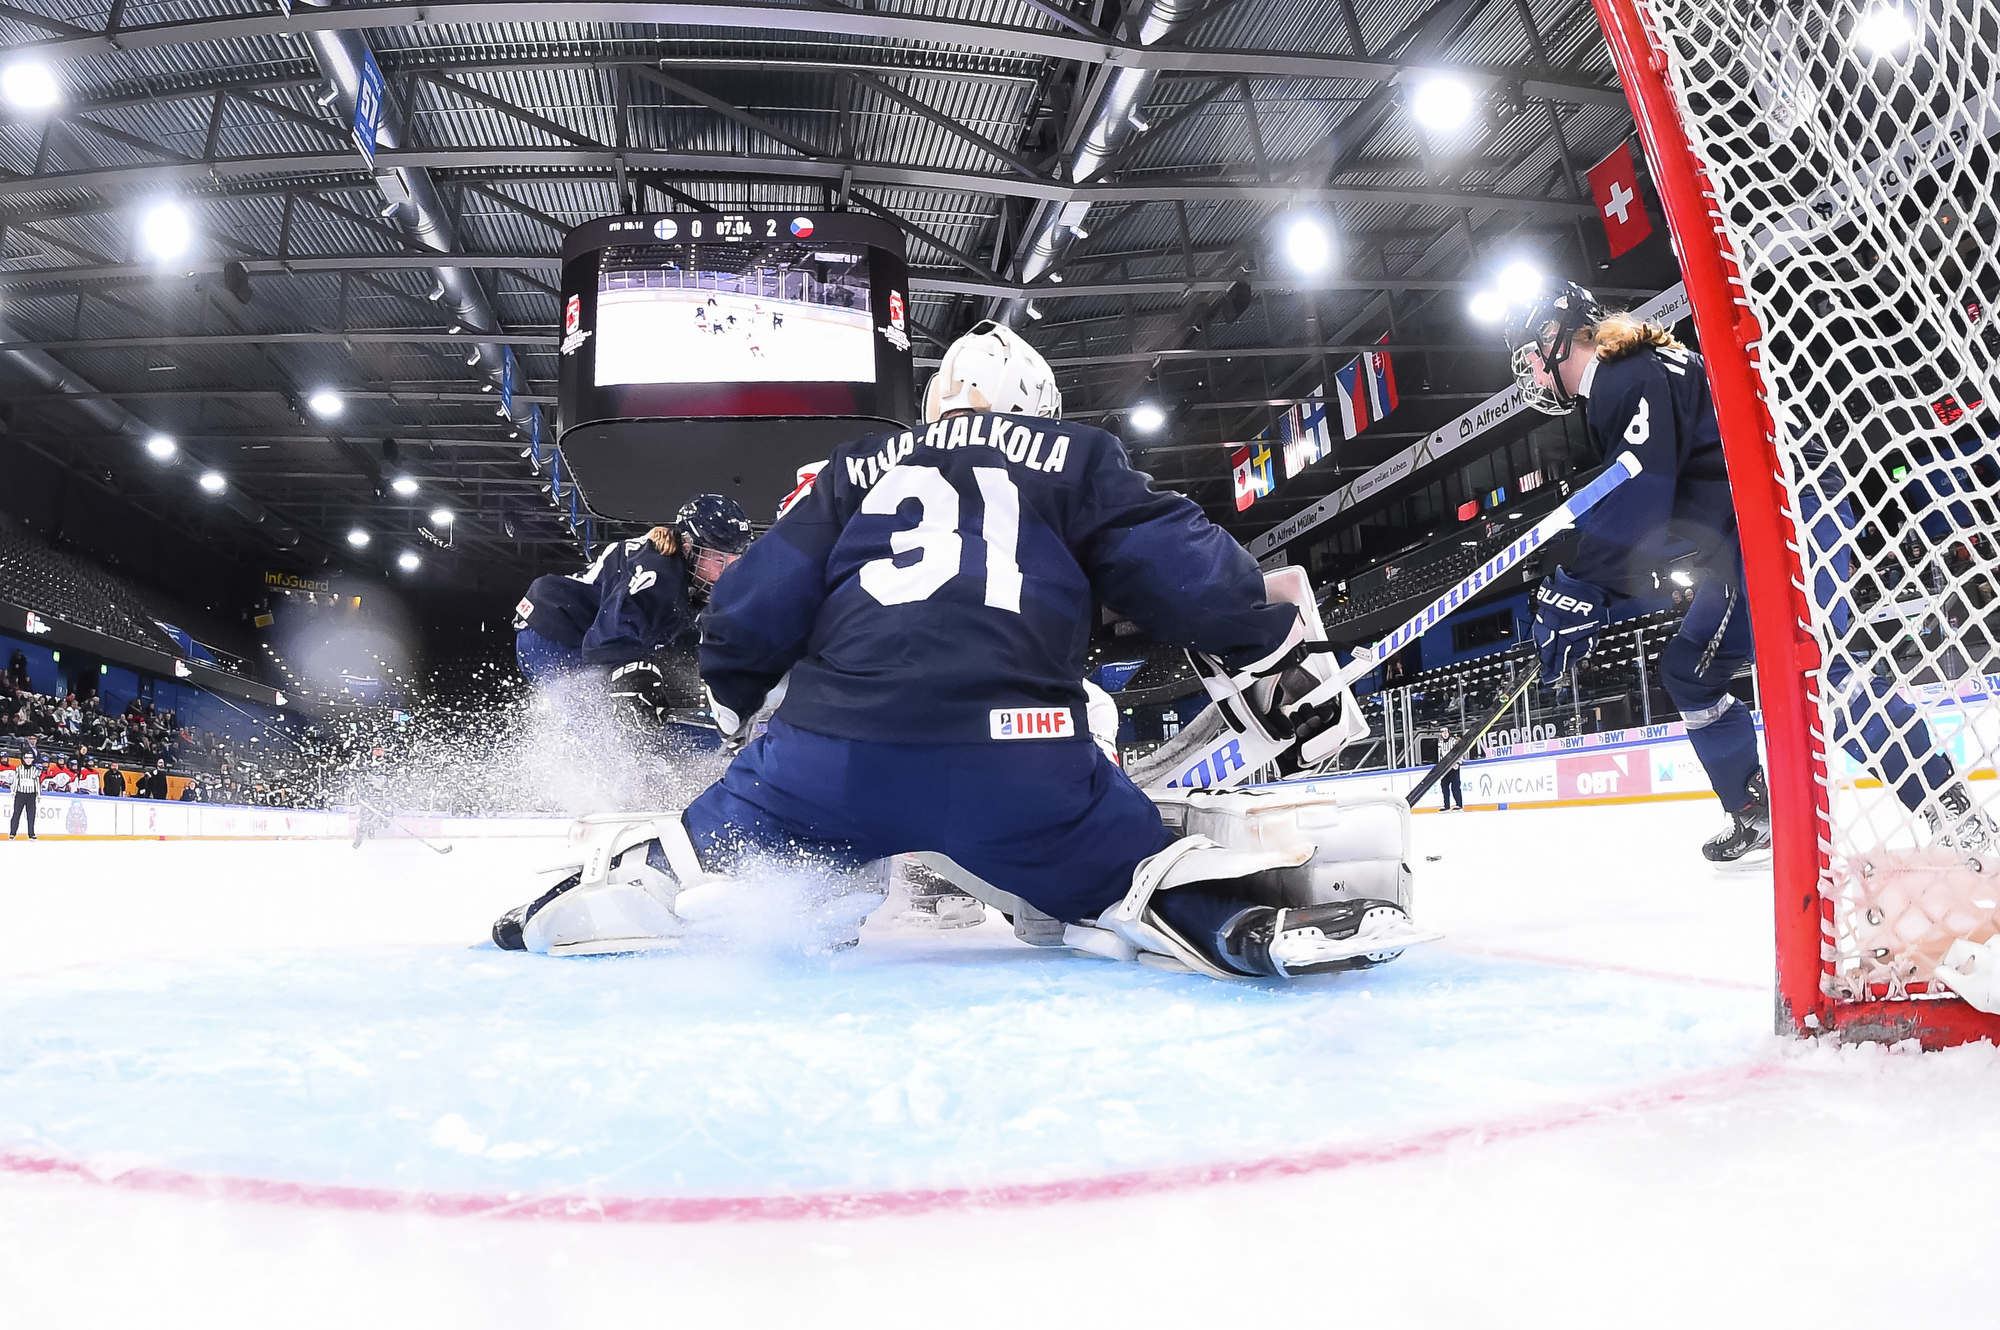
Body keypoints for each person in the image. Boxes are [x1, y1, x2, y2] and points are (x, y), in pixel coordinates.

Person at [491, 320, 1421, 979]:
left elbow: (753, 606)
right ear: (1038, 407)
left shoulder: (855, 468)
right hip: (1022, 762)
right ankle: (1225, 920)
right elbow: (1181, 568)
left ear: (936, 402)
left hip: (833, 758)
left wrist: (736, 708)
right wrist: (1275, 660)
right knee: (1130, 873)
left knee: (711, 845)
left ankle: (617, 893)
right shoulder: (1078, 458)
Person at [1508, 281, 1984, 863]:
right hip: (1767, 517)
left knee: (1817, 668)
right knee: (1691, 671)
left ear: (1558, 340)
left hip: (1783, 512)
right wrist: (1584, 585)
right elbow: (1647, 484)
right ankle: (1756, 811)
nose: (1529, 373)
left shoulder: (1623, 376)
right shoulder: (1638, 366)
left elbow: (1643, 486)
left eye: (1531, 356)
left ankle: (1950, 806)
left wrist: (1582, 588)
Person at [512, 497, 755, 721]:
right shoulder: (658, 575)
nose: (725, 572)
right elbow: (604, 644)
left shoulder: (684, 581)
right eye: (718, 559)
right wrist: (635, 682)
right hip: (552, 633)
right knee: (602, 729)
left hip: (566, 636)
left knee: (621, 715)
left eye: (734, 562)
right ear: (689, 546)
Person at [9, 744, 40, 840]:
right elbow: (16, 780)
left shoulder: (35, 770)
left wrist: (38, 794)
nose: (28, 760)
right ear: (23, 758)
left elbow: (37, 782)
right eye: (26, 758)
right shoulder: (19, 769)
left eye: (30, 758)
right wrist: (13, 791)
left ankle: (31, 834)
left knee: (31, 815)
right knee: (16, 814)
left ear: (33, 759)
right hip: (20, 794)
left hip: (31, 795)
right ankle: (12, 833)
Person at [1436, 730, 1464, 811]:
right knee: (1444, 786)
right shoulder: (1440, 743)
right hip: (1444, 768)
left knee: (1455, 786)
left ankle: (1459, 804)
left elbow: (1460, 752)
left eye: (1446, 732)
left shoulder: (1454, 741)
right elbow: (1440, 755)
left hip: (1453, 766)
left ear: (1448, 732)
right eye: (1443, 732)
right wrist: (1440, 766)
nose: (1444, 734)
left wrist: (1458, 763)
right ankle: (1446, 805)